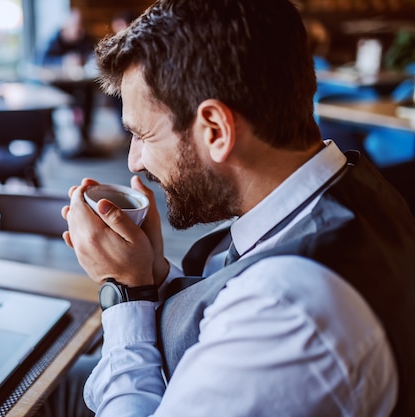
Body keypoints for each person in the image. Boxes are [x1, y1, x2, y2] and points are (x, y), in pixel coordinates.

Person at [56, 0, 415, 416]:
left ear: (216, 129)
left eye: (142, 134)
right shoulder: (346, 189)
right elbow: (229, 293)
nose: (135, 160)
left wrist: (124, 291)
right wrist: (152, 272)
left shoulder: (286, 315)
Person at [40, 9, 97, 154]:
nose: (77, 29)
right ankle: (52, 137)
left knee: (89, 96)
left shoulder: (85, 39)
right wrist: (63, 61)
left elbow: (95, 55)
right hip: (58, 84)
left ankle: (85, 134)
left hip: (80, 84)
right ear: (65, 26)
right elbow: (42, 61)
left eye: (79, 25)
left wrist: (83, 60)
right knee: (49, 99)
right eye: (74, 25)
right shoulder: (55, 39)